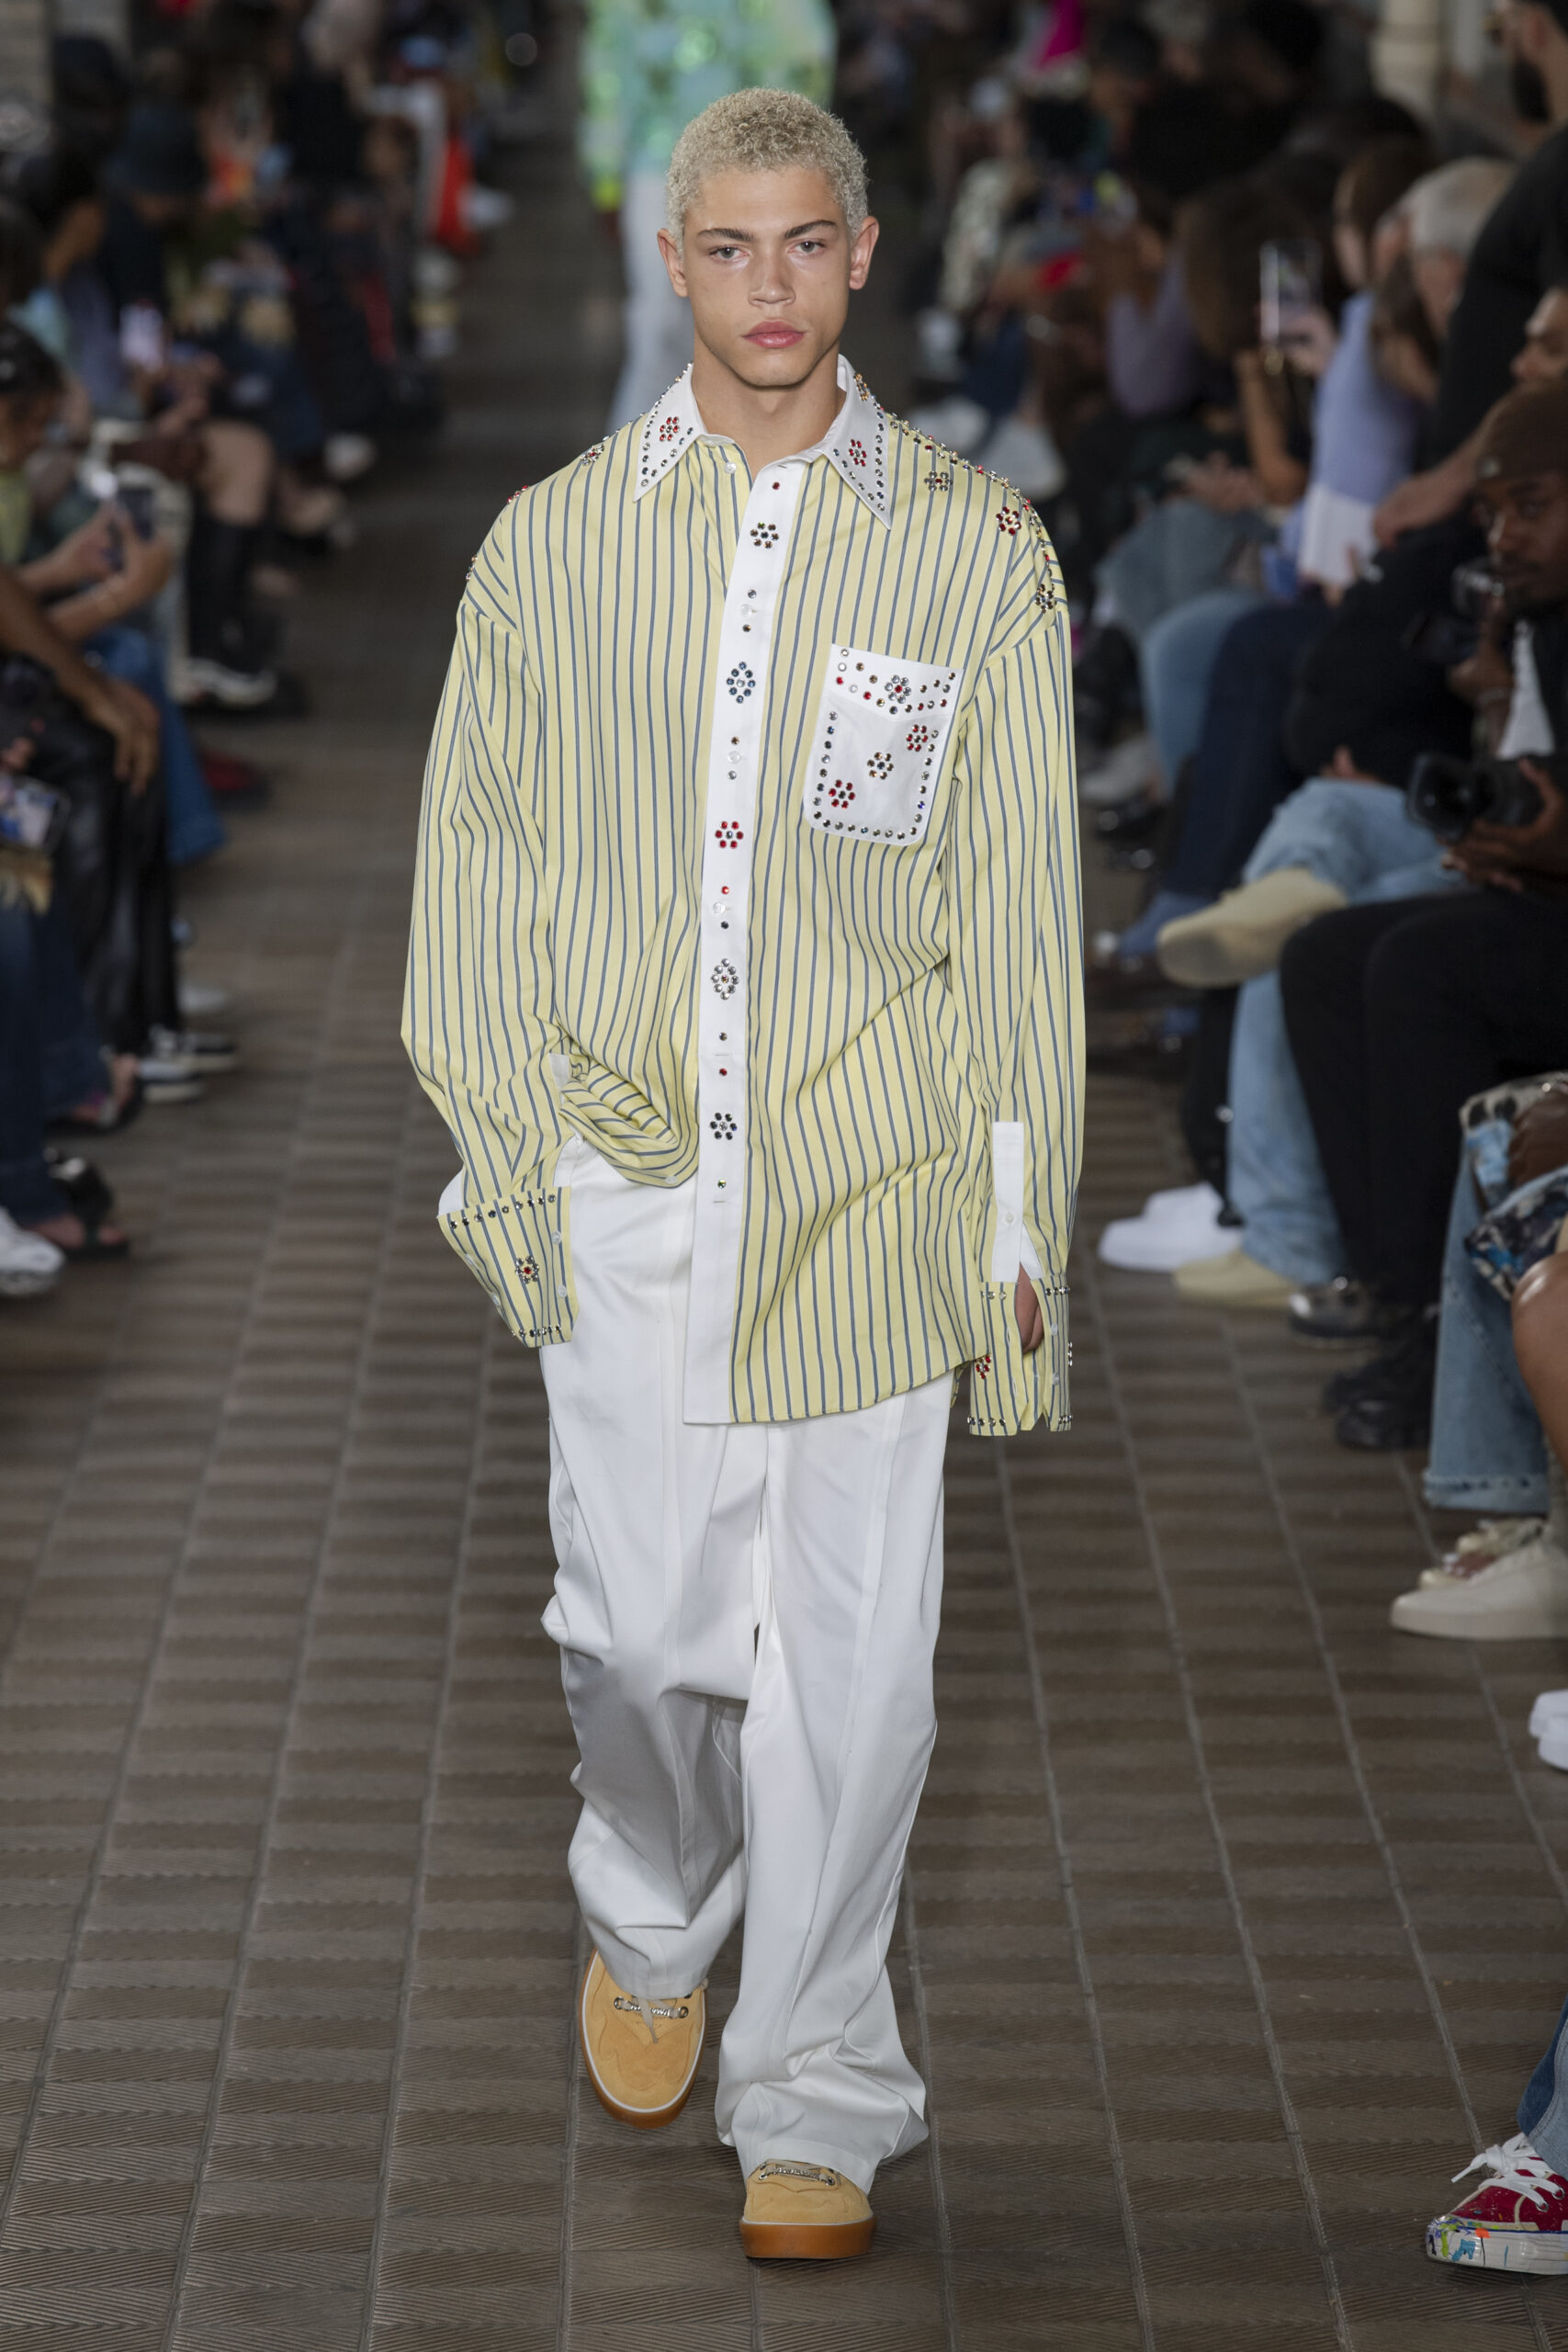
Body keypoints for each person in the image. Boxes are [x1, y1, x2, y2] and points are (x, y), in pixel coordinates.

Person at [405, 89, 1081, 2260]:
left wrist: (1013, 1258)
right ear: (670, 256)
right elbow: (476, 871)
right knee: (639, 1639)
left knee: (855, 1677)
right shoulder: (551, 545)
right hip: (625, 1172)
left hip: (877, 1176)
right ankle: (648, 1896)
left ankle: (815, 2084)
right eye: (729, 248)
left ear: (861, 254)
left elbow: (1014, 928)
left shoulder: (974, 550)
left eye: (805, 245)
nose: (769, 288)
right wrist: (506, 1162)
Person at [1280, 380, 1568, 1447]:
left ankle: (1454, 1331)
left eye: (1532, 507)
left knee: (1420, 968)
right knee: (1323, 956)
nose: (1506, 538)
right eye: (1492, 514)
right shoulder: (1540, 623)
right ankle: (1408, 1301)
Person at [580, 0, 836, 430]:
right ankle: (639, 455)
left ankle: (711, 443)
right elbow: (608, 62)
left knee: (730, 317)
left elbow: (799, 51)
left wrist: (792, 163)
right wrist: (605, 171)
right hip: (652, 167)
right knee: (657, 319)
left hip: (740, 170)